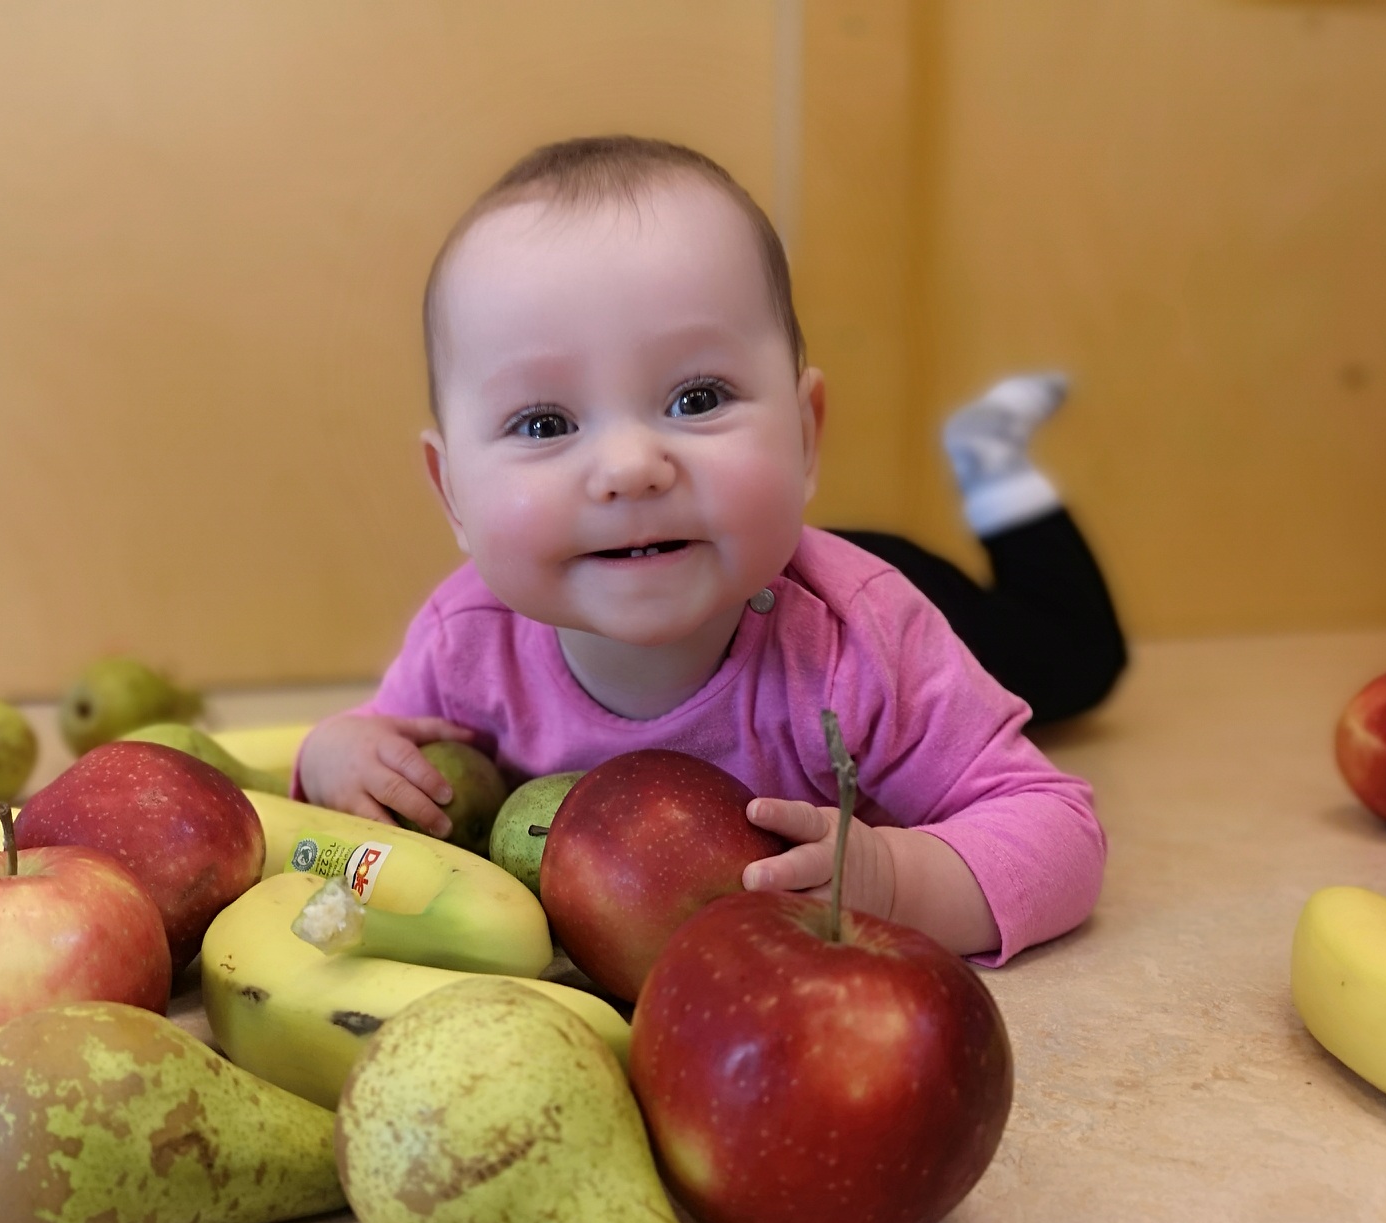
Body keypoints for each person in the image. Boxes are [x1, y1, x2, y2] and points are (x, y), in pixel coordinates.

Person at [297, 136, 1104, 963]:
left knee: (1073, 657)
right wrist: (333, 755)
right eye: (545, 424)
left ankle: (994, 466)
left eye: (697, 398)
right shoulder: (464, 640)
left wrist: (896, 878)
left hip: (865, 585)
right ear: (452, 495)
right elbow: (377, 755)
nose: (632, 468)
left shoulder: (861, 645)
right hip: (723, 544)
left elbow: (1058, 830)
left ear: (804, 433)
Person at [833, 373, 1128, 728]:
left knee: (1075, 658)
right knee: (1070, 654)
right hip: (854, 571)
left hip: (871, 597)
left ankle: (992, 459)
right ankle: (991, 458)